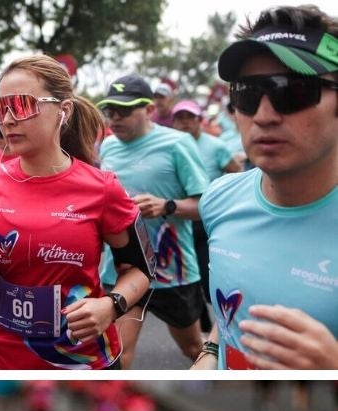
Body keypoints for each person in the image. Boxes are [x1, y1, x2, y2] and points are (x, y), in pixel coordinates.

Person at [0, 55, 153, 370]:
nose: (7, 119)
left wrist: (110, 306)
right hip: (8, 360)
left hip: (86, 361)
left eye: (21, 105)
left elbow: (142, 269)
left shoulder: (101, 187)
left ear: (64, 110)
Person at [194, 4, 338, 370]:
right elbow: (232, 311)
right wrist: (211, 353)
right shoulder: (219, 199)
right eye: (246, 93)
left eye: (292, 91)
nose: (264, 115)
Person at [98, 74, 210, 366]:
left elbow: (206, 205)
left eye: (124, 111)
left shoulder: (178, 143)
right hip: (123, 271)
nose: (115, 118)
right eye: (110, 111)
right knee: (118, 356)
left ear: (149, 110)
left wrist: (166, 206)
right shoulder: (107, 147)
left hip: (173, 272)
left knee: (193, 349)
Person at [170, 99, 244, 334]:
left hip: (206, 221)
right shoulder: (171, 145)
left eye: (189, 118)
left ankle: (223, 324)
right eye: (179, 118)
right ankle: (203, 328)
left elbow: (237, 175)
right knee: (187, 278)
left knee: (206, 275)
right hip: (178, 221)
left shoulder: (215, 146)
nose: (184, 123)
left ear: (200, 121)